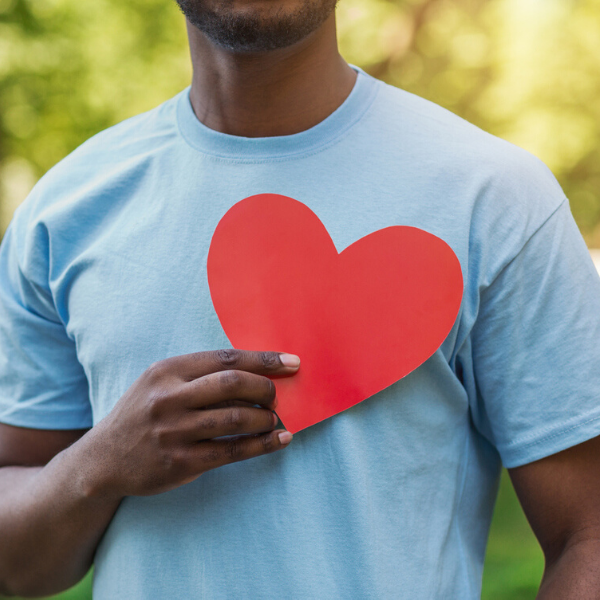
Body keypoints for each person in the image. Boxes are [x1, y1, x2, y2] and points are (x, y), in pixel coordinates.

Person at [0, 0, 599, 597]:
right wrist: (98, 467)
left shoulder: (495, 200)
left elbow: (588, 537)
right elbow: (18, 567)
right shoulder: (64, 213)